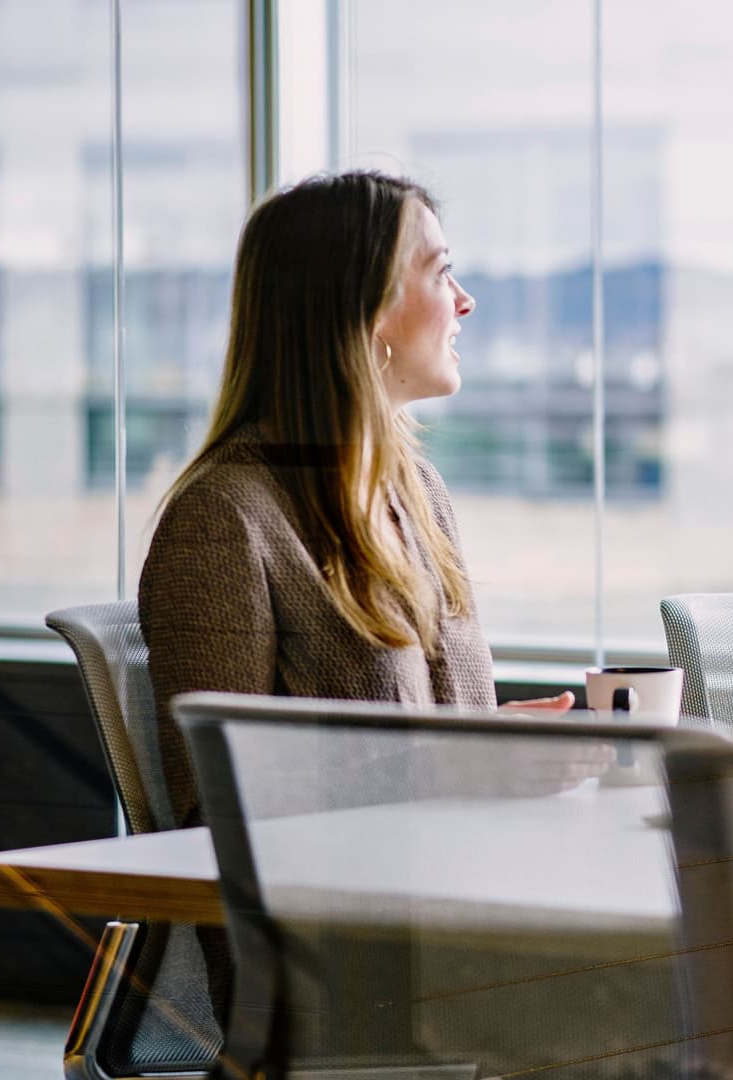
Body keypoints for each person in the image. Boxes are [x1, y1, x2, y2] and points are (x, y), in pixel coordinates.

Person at [139, 171, 572, 834]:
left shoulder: (418, 493)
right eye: (440, 274)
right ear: (364, 307)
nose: (465, 302)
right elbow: (212, 808)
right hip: (339, 927)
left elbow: (443, 745)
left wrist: (503, 748)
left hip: (460, 883)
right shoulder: (223, 519)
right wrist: (450, 766)